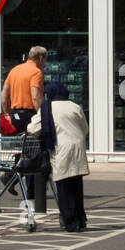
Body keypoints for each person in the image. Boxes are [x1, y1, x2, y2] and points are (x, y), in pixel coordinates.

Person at [28, 81, 89, 231]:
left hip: (61, 148)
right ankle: (81, 219)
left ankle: (70, 222)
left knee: (63, 187)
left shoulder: (48, 108)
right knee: (76, 186)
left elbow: (32, 128)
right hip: (78, 147)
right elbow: (85, 129)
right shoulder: (75, 106)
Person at [0, 46, 46, 198]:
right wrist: (42, 115)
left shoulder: (15, 70)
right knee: (34, 153)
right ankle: (32, 190)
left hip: (16, 115)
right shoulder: (36, 72)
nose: (45, 63)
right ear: (40, 58)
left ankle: (10, 177)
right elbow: (35, 96)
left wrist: (7, 113)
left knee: (27, 150)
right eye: (45, 59)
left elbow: (4, 93)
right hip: (30, 115)